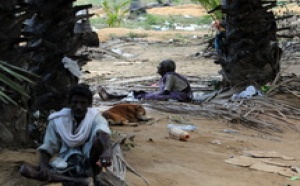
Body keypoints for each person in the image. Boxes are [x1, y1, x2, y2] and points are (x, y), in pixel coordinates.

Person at [19, 84, 112, 186]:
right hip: (66, 164)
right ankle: (79, 181)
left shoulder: (95, 117)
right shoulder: (58, 120)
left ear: (89, 104)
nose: (78, 107)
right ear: (69, 103)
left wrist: (107, 150)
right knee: (25, 169)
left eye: (83, 103)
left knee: (99, 141)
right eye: (75, 103)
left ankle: (92, 177)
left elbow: (103, 132)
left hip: (89, 164)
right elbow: (48, 147)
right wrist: (43, 167)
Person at [99, 59, 192, 102]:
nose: (158, 67)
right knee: (142, 93)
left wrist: (149, 95)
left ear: (165, 68)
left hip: (180, 97)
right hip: (176, 95)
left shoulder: (170, 76)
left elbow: (165, 92)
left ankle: (115, 98)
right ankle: (115, 97)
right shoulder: (168, 76)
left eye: (160, 66)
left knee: (145, 96)